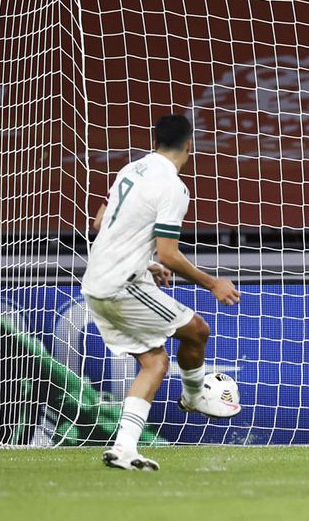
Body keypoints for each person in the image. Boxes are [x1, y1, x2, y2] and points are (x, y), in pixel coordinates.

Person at [81, 114, 242, 471]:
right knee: (197, 330)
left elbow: (99, 222)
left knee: (155, 361)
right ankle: (194, 396)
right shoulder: (173, 186)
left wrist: (146, 262)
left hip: (96, 282)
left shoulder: (131, 170)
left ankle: (123, 449)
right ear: (189, 145)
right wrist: (213, 283)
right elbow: (169, 253)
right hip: (121, 283)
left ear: (155, 141)